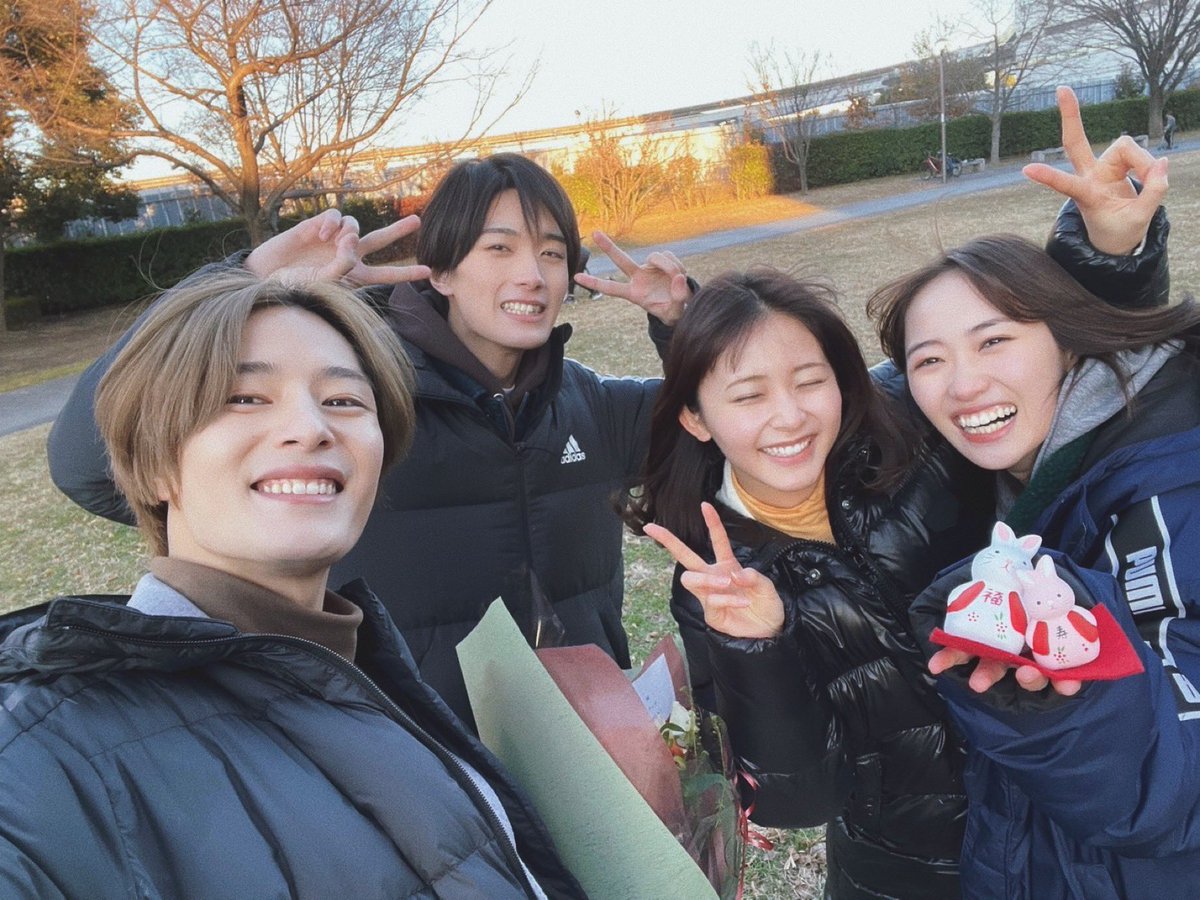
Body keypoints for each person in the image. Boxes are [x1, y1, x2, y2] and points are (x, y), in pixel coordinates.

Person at [46, 152, 691, 726]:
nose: (533, 275)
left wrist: (685, 325)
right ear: (440, 272)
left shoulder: (591, 406)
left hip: (590, 758)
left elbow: (721, 427)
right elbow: (87, 465)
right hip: (413, 759)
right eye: (499, 249)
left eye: (552, 253)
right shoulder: (353, 409)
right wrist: (244, 280)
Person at [0, 269, 585, 898]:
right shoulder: (39, 759)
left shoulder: (361, 671)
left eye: (344, 401)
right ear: (154, 463)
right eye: (245, 397)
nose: (311, 427)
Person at [625, 268, 994, 898]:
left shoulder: (913, 427)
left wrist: (1111, 253)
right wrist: (758, 648)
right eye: (749, 396)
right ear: (696, 418)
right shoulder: (715, 588)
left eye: (810, 381)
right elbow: (795, 801)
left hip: (1057, 801)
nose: (790, 417)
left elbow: (1054, 371)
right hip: (908, 869)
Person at [868, 232, 1200, 897]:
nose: (964, 384)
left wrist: (1066, 692)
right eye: (929, 360)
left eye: (993, 341)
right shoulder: (1006, 479)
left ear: (1070, 340)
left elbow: (1177, 785)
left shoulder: (1170, 491)